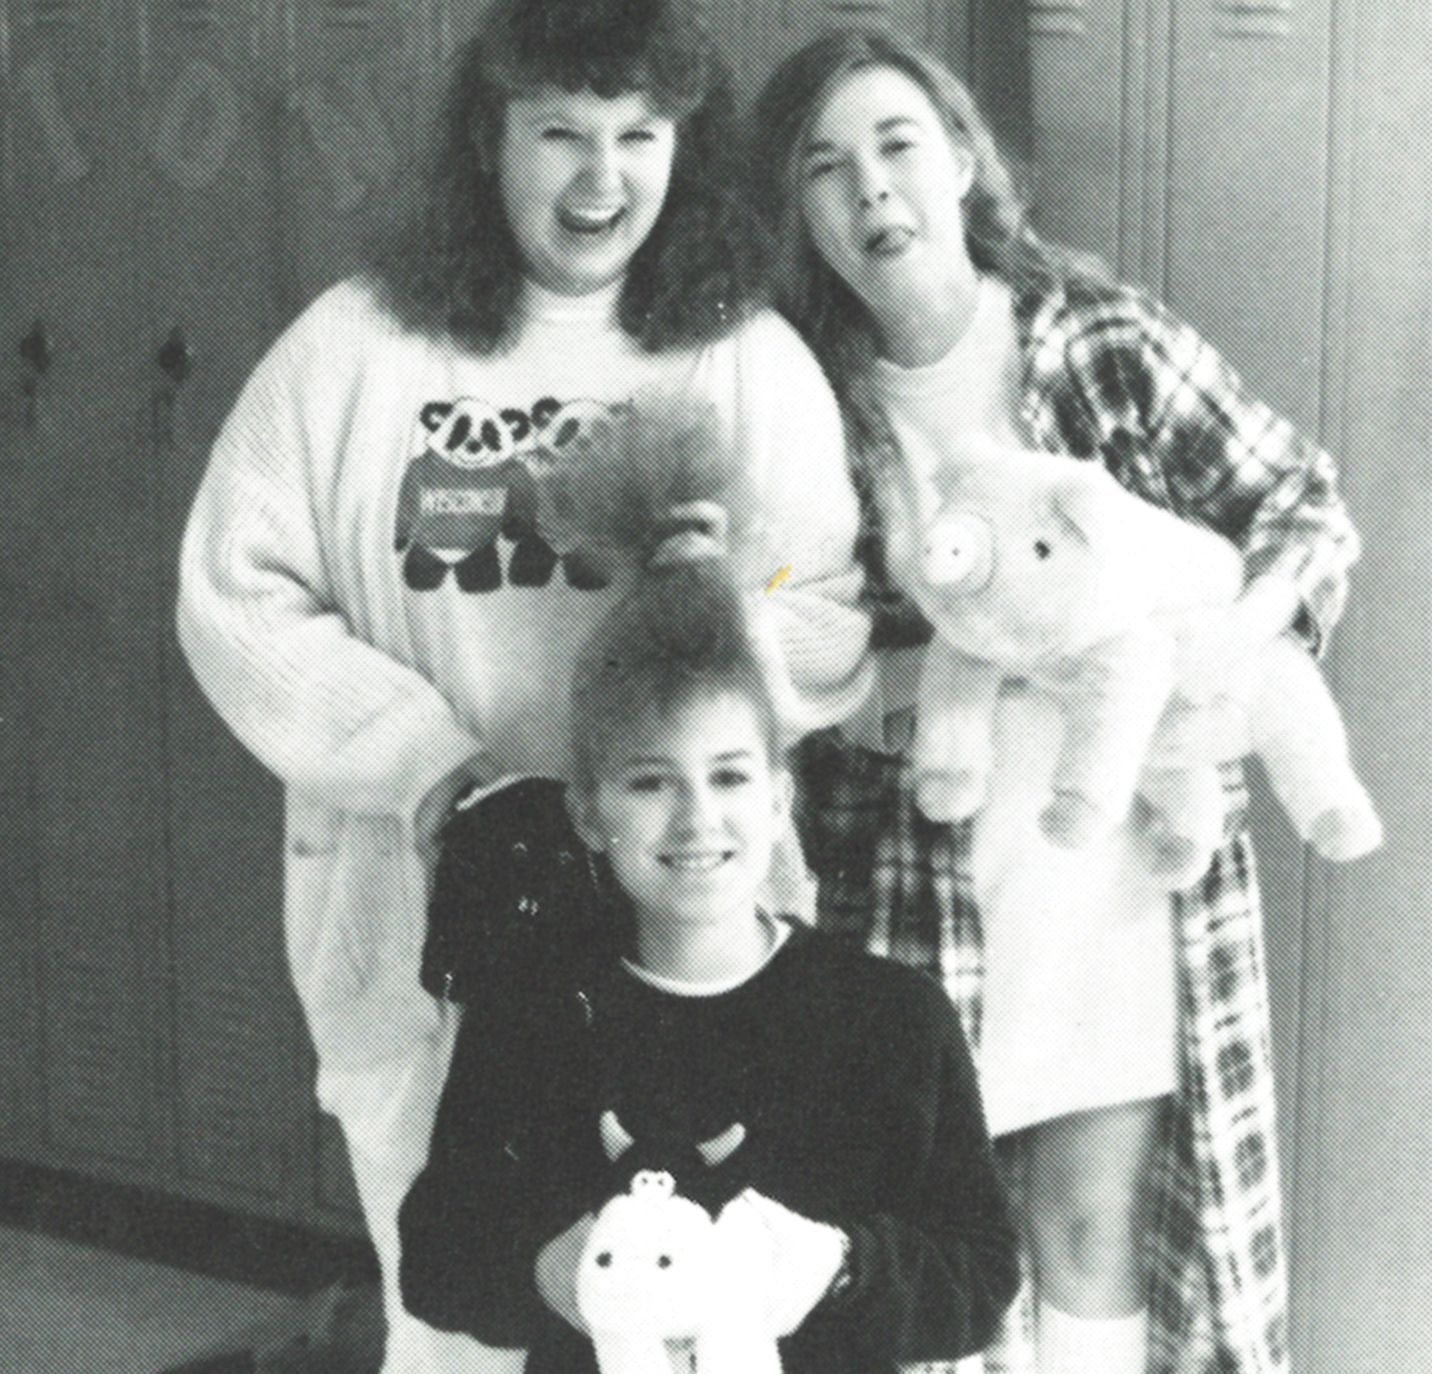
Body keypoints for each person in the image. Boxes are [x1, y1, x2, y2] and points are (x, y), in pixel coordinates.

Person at [175, 3, 870, 1370]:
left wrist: (729, 611)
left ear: (684, 149)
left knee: (689, 1315)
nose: (602, 181)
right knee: (456, 1319)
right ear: (486, 143)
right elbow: (233, 598)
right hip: (430, 919)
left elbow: (835, 632)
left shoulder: (744, 358)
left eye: (639, 137)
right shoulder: (356, 348)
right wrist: (427, 761)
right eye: (560, 133)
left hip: (690, 933)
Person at [750, 26, 1360, 1374]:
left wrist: (1228, 653)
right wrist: (933, 695)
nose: (874, 192)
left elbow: (1303, 512)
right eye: (826, 169)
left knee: (1094, 1234)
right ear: (800, 213)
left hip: (1119, 884)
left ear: (963, 157)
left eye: (901, 145)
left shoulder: (1101, 340)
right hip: (919, 884)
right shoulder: (802, 397)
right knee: (933, 1254)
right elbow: (798, 668)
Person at [396, 467, 1020, 1374]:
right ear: (588, 814)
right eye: (651, 783)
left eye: (728, 777)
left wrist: (843, 1269)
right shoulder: (533, 1009)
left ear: (779, 800)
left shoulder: (893, 1018)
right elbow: (436, 1256)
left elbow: (982, 1279)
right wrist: (546, 1269)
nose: (696, 821)